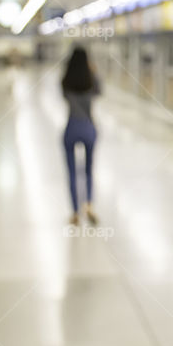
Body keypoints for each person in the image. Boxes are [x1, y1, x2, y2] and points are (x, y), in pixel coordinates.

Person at [61, 47, 100, 225]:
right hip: (89, 127)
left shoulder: (66, 81)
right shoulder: (91, 80)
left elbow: (63, 96)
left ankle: (75, 212)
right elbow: (100, 92)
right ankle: (89, 204)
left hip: (71, 126)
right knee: (88, 169)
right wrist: (94, 72)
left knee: (72, 171)